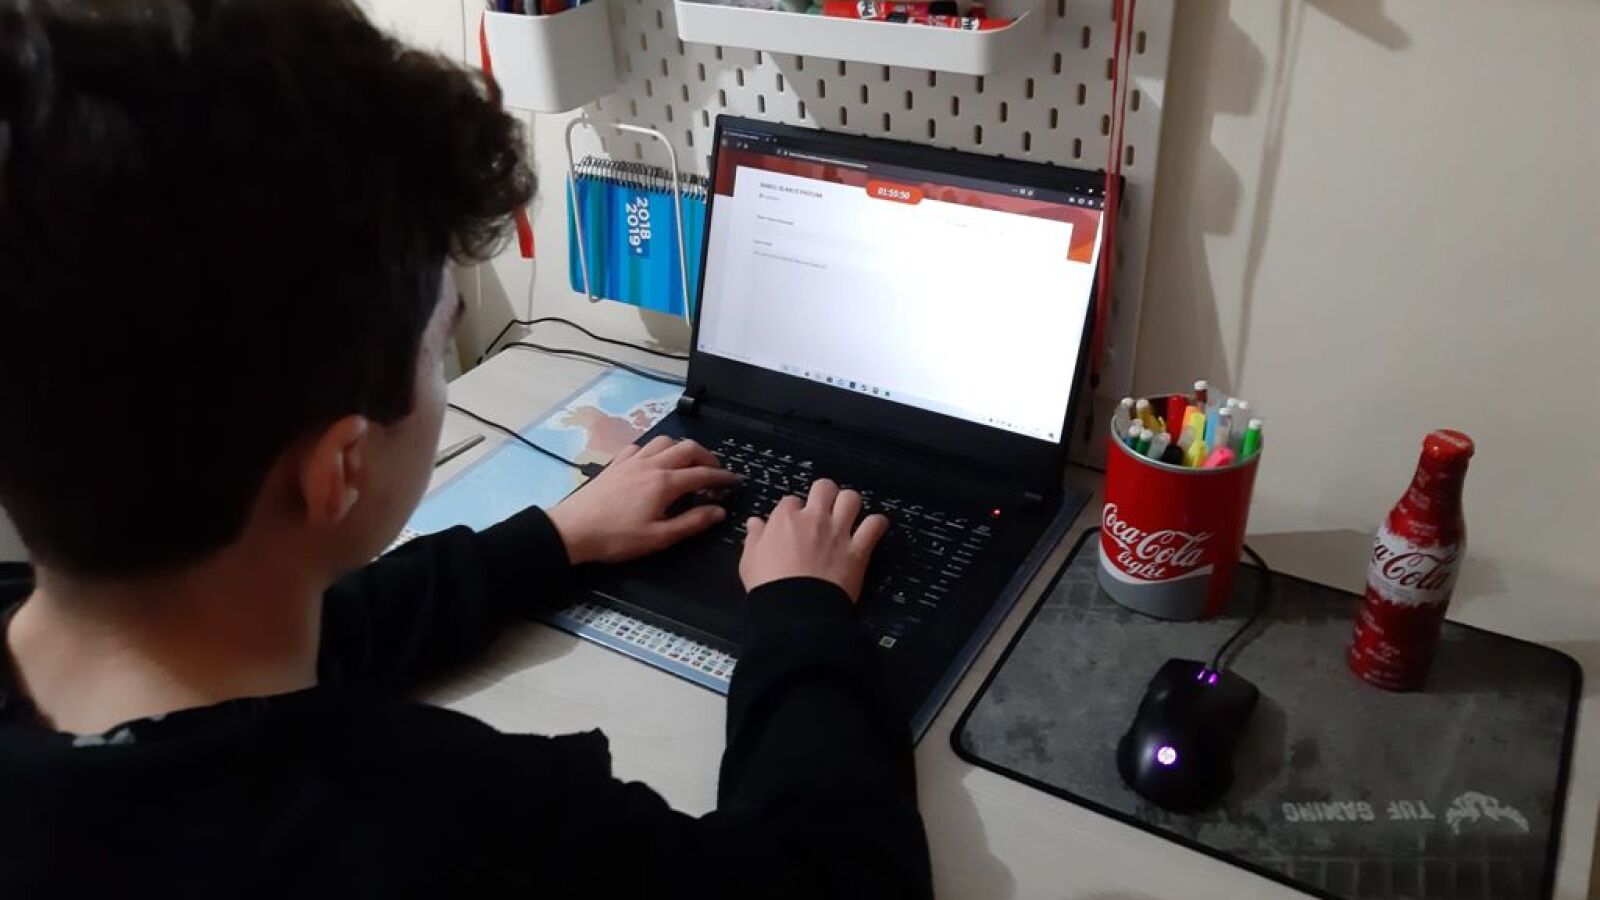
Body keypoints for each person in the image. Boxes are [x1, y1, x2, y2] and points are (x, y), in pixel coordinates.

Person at [0, 0, 931, 896]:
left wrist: (553, 541)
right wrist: (802, 613)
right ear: (341, 470)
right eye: (439, 337)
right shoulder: (460, 832)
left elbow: (308, 634)